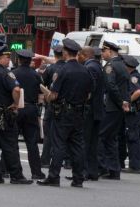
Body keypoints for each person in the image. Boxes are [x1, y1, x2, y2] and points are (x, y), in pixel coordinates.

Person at [37, 38, 93, 188]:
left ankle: (54, 177)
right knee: (77, 146)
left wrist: (46, 94)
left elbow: (54, 95)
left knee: (59, 145)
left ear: (65, 52)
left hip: (62, 113)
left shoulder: (63, 71)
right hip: (79, 112)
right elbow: (89, 94)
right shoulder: (85, 70)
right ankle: (78, 178)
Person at [0, 46, 32, 185]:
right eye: (7, 57)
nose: (9, 60)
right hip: (2, 113)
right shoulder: (6, 73)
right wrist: (15, 104)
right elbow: (16, 89)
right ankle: (16, 175)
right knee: (9, 144)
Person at [98, 40, 130, 180]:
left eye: (103, 51)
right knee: (111, 139)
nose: (102, 54)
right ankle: (114, 170)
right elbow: (127, 88)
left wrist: (121, 102)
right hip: (118, 109)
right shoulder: (123, 66)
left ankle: (102, 167)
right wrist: (125, 102)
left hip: (111, 107)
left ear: (110, 51)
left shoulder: (110, 66)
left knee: (100, 136)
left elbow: (111, 86)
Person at [12, 49, 45, 180]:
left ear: (19, 60)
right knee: (32, 142)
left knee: (11, 140)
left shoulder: (13, 73)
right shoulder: (36, 75)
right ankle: (36, 172)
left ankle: (6, 168)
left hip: (16, 108)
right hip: (31, 108)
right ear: (30, 61)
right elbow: (41, 94)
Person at [79, 46, 104, 180]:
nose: (78, 58)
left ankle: (82, 171)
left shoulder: (90, 68)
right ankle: (92, 172)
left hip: (90, 110)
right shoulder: (97, 66)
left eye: (79, 55)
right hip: (96, 110)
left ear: (84, 55)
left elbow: (90, 88)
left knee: (85, 141)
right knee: (93, 143)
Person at [123, 55, 140, 174]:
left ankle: (134, 166)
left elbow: (138, 91)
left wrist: (128, 101)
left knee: (132, 137)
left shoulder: (132, 77)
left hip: (134, 112)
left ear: (127, 67)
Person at [40, 44, 66, 166]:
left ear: (55, 55)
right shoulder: (68, 68)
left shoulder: (50, 69)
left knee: (48, 135)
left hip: (51, 104)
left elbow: (42, 85)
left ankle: (45, 160)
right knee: (63, 135)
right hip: (66, 105)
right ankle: (63, 161)